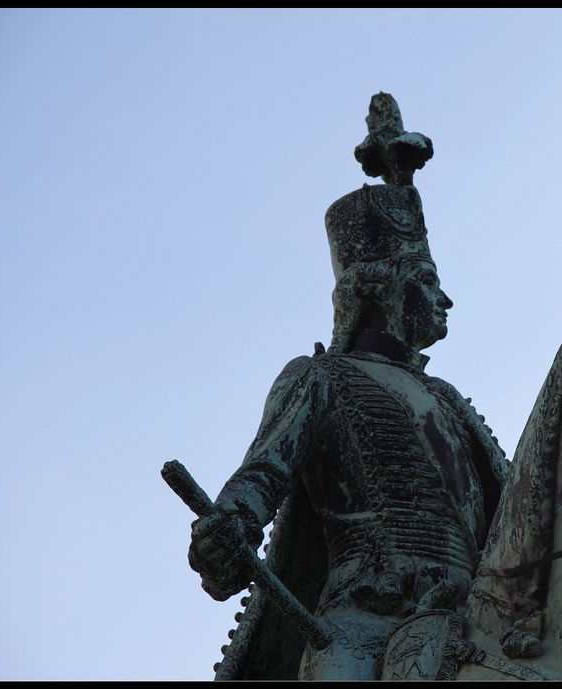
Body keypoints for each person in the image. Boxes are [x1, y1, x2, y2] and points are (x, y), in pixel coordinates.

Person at [186, 100, 509, 680]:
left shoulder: (452, 403)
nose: (445, 299)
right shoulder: (321, 380)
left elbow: (517, 516)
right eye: (428, 281)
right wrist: (228, 528)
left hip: (475, 621)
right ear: (379, 288)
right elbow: (261, 477)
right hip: (365, 625)